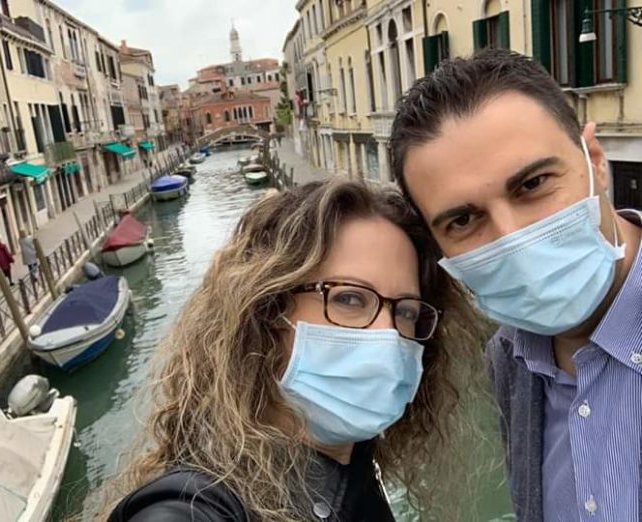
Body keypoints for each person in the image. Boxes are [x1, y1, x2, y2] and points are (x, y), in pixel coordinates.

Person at [107, 180, 485, 521]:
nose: (388, 335)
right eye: (349, 298)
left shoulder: (352, 472)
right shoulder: (193, 507)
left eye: (406, 311)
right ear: (266, 313)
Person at [390, 49, 642, 521]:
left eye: (533, 184)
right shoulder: (507, 359)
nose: (512, 237)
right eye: (463, 220)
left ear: (595, 160)